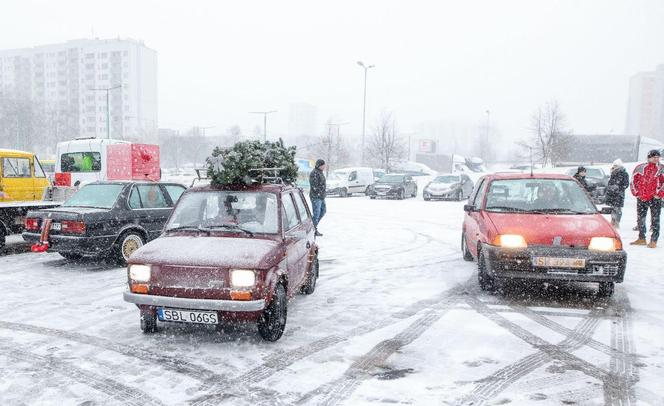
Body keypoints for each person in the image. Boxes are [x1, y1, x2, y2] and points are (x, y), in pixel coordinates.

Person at [630, 149, 664, 248]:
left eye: (658, 157)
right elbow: (633, 181)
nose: (656, 159)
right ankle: (641, 238)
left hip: (655, 198)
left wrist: (659, 194)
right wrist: (637, 193)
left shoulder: (662, 168)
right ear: (649, 157)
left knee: (655, 220)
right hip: (642, 197)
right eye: (654, 157)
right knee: (640, 219)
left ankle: (654, 240)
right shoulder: (640, 168)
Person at [605, 159, 630, 228]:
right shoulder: (613, 173)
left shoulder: (624, 173)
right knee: (613, 208)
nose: (614, 166)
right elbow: (610, 183)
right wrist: (610, 188)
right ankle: (612, 220)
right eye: (614, 165)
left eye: (616, 165)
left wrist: (618, 188)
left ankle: (617, 222)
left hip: (619, 194)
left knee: (618, 209)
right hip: (612, 194)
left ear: (619, 166)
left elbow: (626, 184)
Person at [309, 159, 327, 237]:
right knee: (316, 214)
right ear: (320, 165)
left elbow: (322, 184)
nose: (324, 166)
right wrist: (320, 193)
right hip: (316, 197)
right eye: (323, 165)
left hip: (321, 197)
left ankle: (313, 227)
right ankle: (313, 229)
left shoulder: (320, 172)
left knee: (323, 211)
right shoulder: (314, 173)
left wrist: (323, 193)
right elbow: (314, 186)